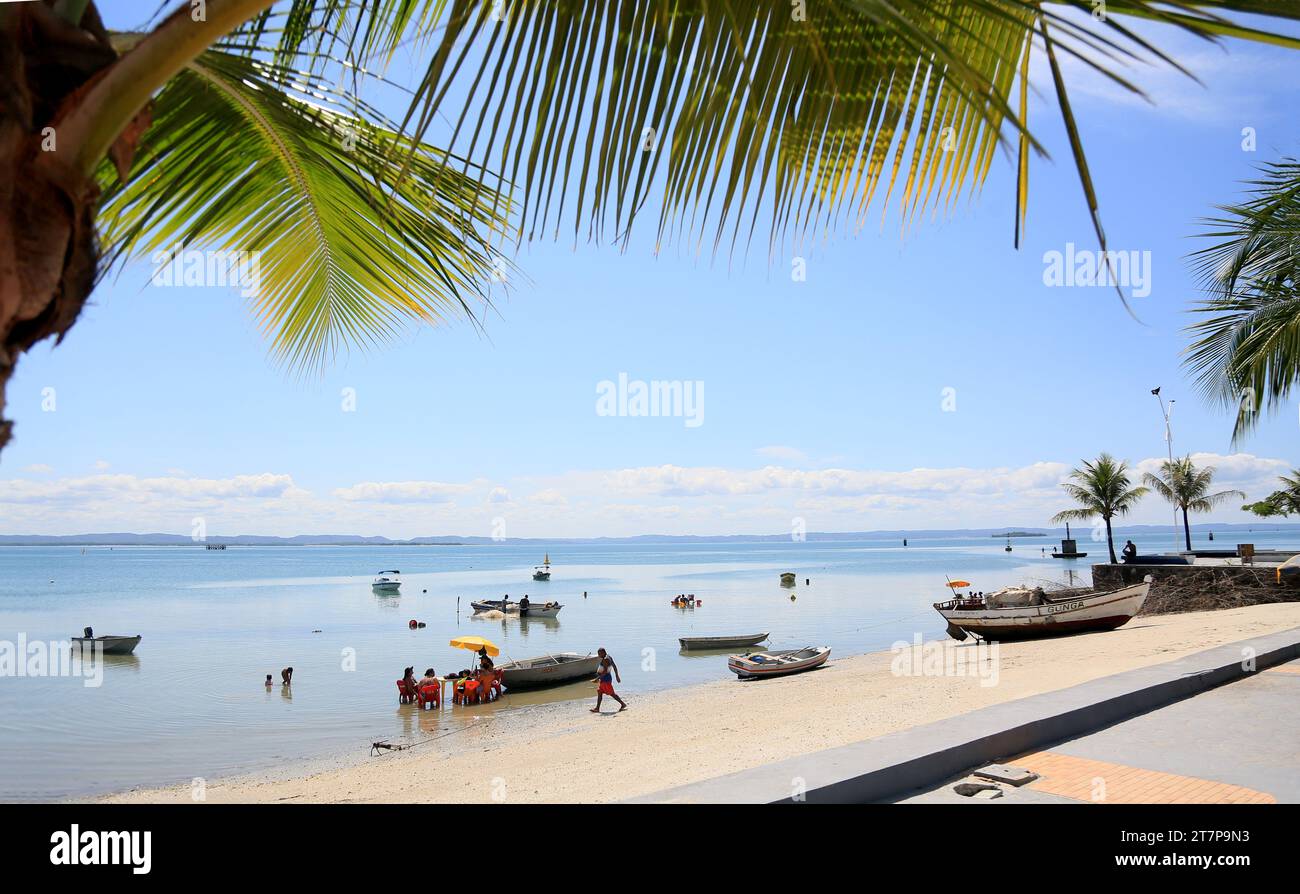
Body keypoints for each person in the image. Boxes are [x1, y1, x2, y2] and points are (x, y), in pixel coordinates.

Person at [590, 648, 626, 713]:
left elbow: (605, 672)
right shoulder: (609, 657)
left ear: (603, 653)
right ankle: (597, 708)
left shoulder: (605, 659)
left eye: (599, 653)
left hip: (605, 679)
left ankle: (623, 704)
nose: (598, 655)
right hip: (605, 678)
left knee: (612, 693)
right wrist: (617, 676)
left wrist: (597, 679)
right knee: (599, 691)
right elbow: (614, 666)